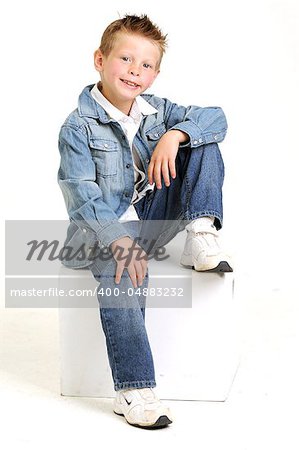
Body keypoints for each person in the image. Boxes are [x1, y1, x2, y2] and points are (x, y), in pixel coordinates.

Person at [57, 13, 233, 429]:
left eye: (146, 65)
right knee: (123, 272)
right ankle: (134, 390)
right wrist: (116, 238)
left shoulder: (158, 112)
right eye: (125, 59)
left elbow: (217, 117)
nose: (135, 71)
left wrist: (175, 135)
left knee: (201, 140)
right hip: (96, 231)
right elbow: (81, 194)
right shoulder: (78, 126)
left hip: (152, 220)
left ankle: (200, 232)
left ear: (155, 74)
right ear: (100, 59)